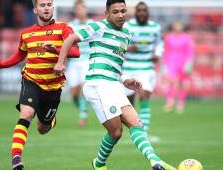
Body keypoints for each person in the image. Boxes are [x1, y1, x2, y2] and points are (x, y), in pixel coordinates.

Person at [54, 0, 176, 170]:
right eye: (115, 11)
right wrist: (61, 62)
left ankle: (155, 162)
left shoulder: (126, 33)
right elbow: (70, 39)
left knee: (136, 124)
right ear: (107, 13)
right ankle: (99, 164)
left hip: (114, 85)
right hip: (97, 85)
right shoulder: (98, 27)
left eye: (123, 11)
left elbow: (116, 65)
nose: (120, 15)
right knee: (116, 132)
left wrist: (125, 79)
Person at [0, 0, 80, 169]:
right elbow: (19, 55)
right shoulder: (27, 33)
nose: (47, 8)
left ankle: (49, 121)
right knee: (26, 114)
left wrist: (55, 51)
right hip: (32, 80)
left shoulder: (64, 29)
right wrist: (0, 64)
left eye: (49, 4)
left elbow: (76, 52)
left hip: (53, 87)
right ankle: (16, 158)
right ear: (35, 10)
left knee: (42, 128)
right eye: (43, 5)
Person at [122, 1, 163, 134]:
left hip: (146, 68)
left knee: (144, 95)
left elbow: (160, 43)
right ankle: (135, 126)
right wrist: (128, 48)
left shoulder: (155, 27)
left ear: (147, 13)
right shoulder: (128, 26)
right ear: (135, 13)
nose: (141, 13)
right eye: (139, 11)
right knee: (129, 101)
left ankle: (143, 130)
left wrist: (157, 54)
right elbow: (120, 43)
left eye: (144, 11)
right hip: (129, 68)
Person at [66, 0, 94, 127]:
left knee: (84, 87)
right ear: (75, 11)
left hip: (88, 59)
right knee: (73, 94)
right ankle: (82, 108)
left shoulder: (93, 24)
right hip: (74, 61)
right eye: (77, 9)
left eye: (82, 8)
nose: (80, 11)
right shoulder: (70, 26)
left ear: (85, 9)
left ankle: (83, 115)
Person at [162, 21, 195, 113]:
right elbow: (165, 50)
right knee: (170, 82)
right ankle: (170, 103)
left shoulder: (187, 38)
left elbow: (190, 51)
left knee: (182, 84)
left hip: (183, 62)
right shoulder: (169, 37)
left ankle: (180, 104)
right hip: (171, 62)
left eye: (179, 26)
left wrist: (189, 63)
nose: (177, 28)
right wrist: (164, 63)